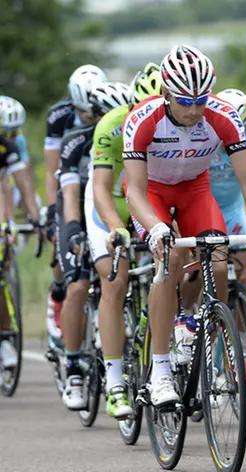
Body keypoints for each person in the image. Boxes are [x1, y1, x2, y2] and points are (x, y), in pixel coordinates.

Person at [123, 45, 246, 407]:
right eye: (184, 101)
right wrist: (157, 229)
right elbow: (133, 190)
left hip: (196, 190)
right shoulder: (143, 118)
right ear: (165, 93)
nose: (194, 110)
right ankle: (160, 370)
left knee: (220, 262)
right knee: (170, 262)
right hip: (153, 194)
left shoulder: (222, 116)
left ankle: (200, 340)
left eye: (200, 100)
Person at [89, 64, 161, 419]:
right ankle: (115, 382)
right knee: (114, 278)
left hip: (150, 204)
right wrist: (116, 227)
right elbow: (101, 188)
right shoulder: (111, 124)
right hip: (110, 207)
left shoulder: (176, 124)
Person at [57, 81, 133, 410]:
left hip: (121, 205)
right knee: (78, 285)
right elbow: (71, 193)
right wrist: (73, 229)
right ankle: (73, 367)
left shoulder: (132, 132)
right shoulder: (76, 141)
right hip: (81, 208)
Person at [44, 65, 108, 350]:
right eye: (83, 113)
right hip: (70, 185)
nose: (89, 119)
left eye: (94, 113)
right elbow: (50, 171)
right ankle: (57, 294)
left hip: (100, 190)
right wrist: (49, 211)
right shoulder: (59, 118)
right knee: (63, 237)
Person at [211, 88, 246, 291]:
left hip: (235, 210)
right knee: (201, 274)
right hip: (206, 209)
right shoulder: (203, 137)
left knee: (245, 272)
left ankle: (240, 323)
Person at [0, 133, 42, 370]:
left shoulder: (7, 147)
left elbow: (6, 188)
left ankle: (5, 336)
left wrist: (7, 224)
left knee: (1, 272)